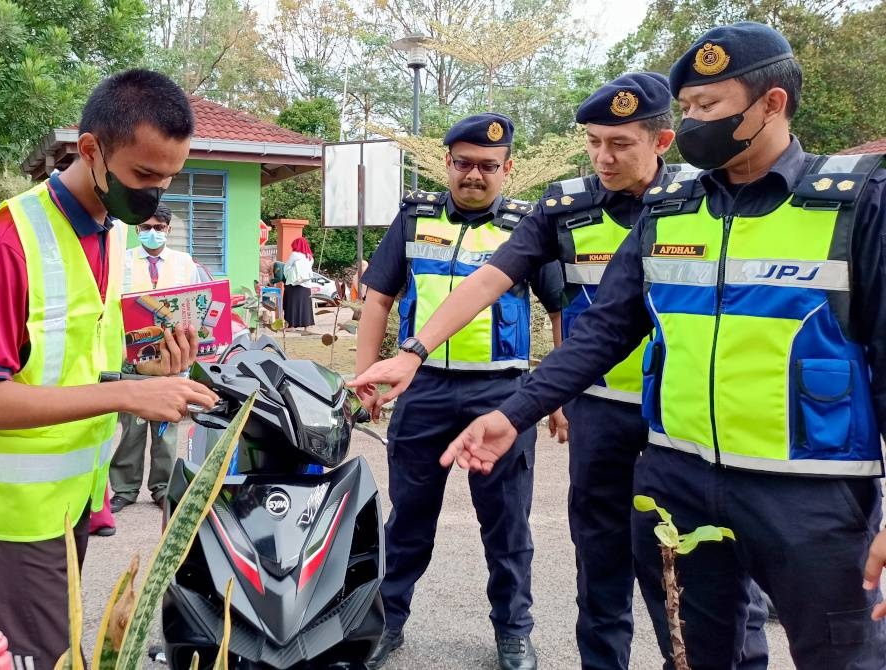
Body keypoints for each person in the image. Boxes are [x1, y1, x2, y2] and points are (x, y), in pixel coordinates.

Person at [437, 23, 886, 670]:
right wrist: (513, 415)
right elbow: (603, 331)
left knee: (844, 658)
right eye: (689, 108)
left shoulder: (852, 205)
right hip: (677, 480)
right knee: (698, 658)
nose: (696, 121)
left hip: (811, 495)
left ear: (771, 104)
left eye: (711, 106)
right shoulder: (670, 210)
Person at [352, 74, 768, 669]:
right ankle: (390, 622)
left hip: (684, 422)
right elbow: (493, 280)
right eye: (594, 142)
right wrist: (412, 352)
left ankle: (516, 630)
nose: (603, 157)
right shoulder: (563, 209)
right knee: (599, 576)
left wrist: (539, 401)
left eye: (620, 144)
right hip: (595, 409)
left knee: (696, 589)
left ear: (662, 141)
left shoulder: (704, 201)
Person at [0, 69, 218, 670]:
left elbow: (72, 367)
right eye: (144, 175)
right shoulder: (6, 244)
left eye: (170, 176)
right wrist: (126, 401)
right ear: (91, 150)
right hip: (9, 518)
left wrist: (148, 376)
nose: (156, 193)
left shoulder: (107, 233)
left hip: (68, 504)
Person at [354, 112, 563, 670]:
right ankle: (386, 622)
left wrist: (557, 396)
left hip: (502, 396)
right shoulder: (416, 216)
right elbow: (378, 298)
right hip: (422, 392)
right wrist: (368, 374)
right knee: (409, 518)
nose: (475, 175)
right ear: (447, 163)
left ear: (508, 169)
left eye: (488, 166)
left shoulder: (527, 227)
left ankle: (514, 632)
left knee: (507, 524)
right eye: (464, 163)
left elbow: (560, 308)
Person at [108, 204, 199, 515]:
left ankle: (162, 488)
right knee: (131, 428)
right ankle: (124, 488)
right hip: (132, 355)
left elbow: (195, 303)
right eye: (146, 227)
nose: (152, 233)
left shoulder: (184, 262)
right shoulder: (122, 260)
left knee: (166, 428)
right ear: (137, 230)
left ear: (168, 230)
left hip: (171, 356)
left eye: (158, 228)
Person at [283, 236, 315, 333]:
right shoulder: (310, 257)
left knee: (292, 304)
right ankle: (307, 326)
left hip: (294, 283)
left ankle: (291, 325)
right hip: (306, 284)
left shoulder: (294, 254)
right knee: (306, 305)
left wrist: (287, 274)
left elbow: (287, 267)